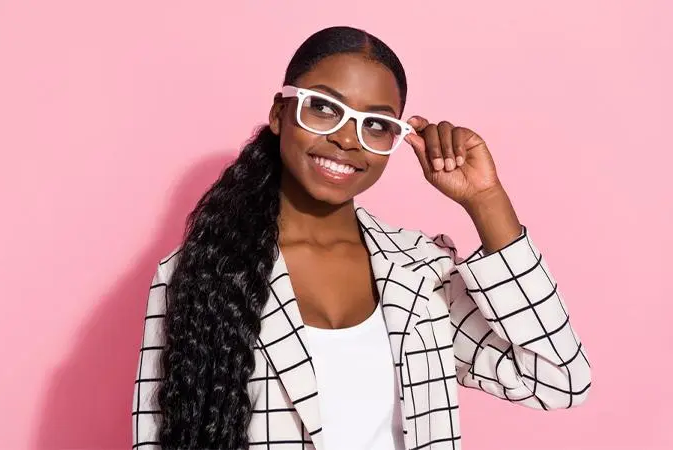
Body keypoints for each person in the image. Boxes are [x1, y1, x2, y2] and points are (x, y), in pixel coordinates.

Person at [132, 25, 591, 450]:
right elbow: (157, 435)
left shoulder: (421, 271)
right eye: (324, 107)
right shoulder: (200, 271)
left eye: (375, 123)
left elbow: (558, 379)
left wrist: (485, 199)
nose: (348, 139)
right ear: (279, 113)